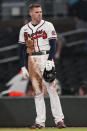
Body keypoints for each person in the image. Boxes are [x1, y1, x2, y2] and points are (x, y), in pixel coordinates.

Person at [18, 3, 66, 129]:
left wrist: (50, 59)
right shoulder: (25, 29)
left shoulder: (48, 25)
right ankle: (40, 122)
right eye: (37, 12)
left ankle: (59, 120)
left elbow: (53, 44)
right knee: (37, 92)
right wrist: (23, 66)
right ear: (31, 13)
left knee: (51, 89)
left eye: (40, 11)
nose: (39, 14)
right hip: (32, 59)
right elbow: (21, 49)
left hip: (45, 57)